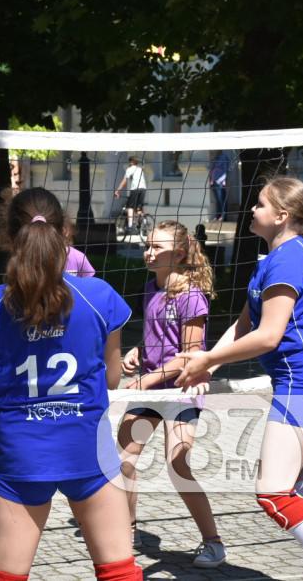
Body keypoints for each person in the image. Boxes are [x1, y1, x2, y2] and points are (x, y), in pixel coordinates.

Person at [176, 177, 303, 580]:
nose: (251, 210)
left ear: (281, 216)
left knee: (273, 492)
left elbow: (268, 335)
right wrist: (209, 362)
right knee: (293, 477)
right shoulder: (275, 257)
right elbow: (244, 324)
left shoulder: (288, 258)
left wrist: (207, 359)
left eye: (259, 205)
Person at [0, 187, 142, 581]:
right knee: (120, 573)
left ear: (10, 238)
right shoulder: (99, 296)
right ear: (67, 233)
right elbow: (112, 378)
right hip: (87, 450)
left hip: (21, 456)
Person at [117, 220, 224, 567]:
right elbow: (158, 340)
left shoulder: (191, 296)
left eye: (156, 248)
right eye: (146, 246)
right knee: (122, 462)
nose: (148, 253)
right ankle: (125, 533)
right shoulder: (151, 287)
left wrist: (146, 381)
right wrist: (137, 352)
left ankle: (213, 542)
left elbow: (189, 355)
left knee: (178, 465)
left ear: (178, 254)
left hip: (179, 391)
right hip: (151, 387)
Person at [113, 156, 147, 232]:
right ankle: (144, 222)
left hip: (135, 189)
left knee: (130, 207)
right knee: (139, 207)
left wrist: (118, 190)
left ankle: (130, 225)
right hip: (143, 189)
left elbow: (124, 181)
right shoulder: (140, 169)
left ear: (131, 162)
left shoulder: (130, 169)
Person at [208, 151, 230, 221]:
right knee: (218, 200)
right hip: (215, 181)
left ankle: (223, 216)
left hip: (219, 181)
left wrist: (221, 180)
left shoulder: (223, 157)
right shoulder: (217, 156)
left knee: (221, 200)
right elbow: (213, 169)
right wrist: (212, 180)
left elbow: (225, 170)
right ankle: (218, 215)